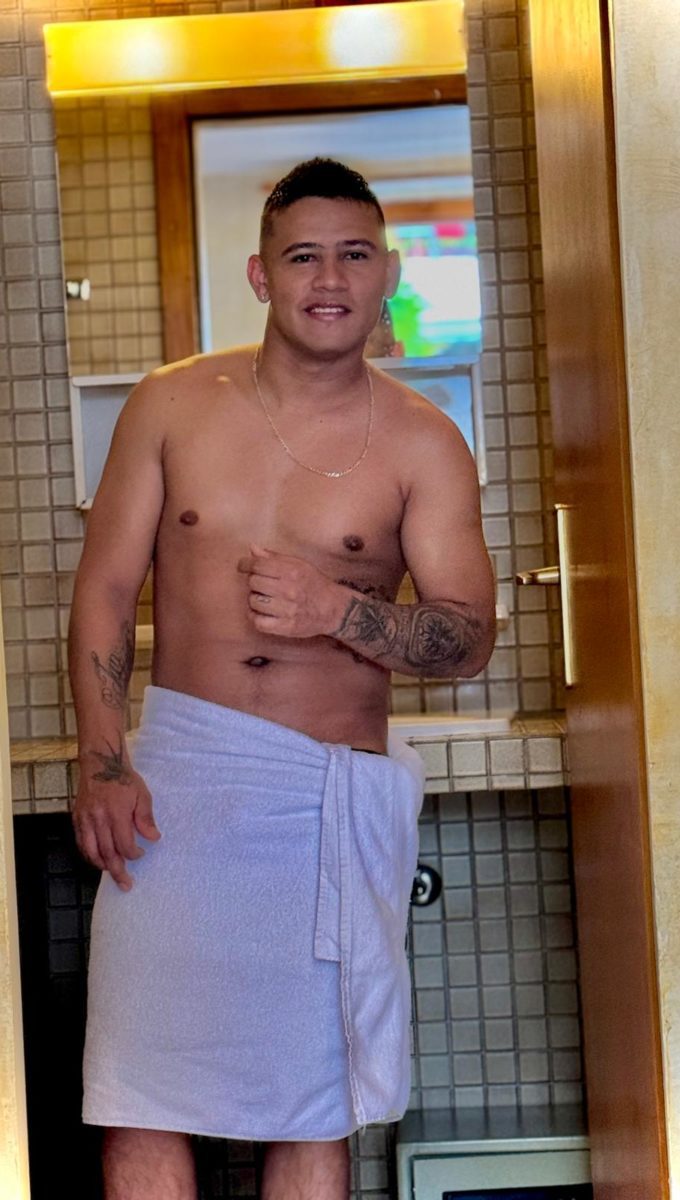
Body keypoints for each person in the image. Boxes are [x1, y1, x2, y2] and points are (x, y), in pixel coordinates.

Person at [68, 157, 496, 1200]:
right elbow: (104, 590)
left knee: (312, 1106)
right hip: (174, 791)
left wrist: (336, 611)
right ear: (261, 275)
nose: (329, 279)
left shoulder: (423, 442)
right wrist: (104, 761)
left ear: (387, 272)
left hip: (318, 799)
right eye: (303, 256)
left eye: (354, 255)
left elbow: (470, 636)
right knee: (139, 1095)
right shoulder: (169, 406)